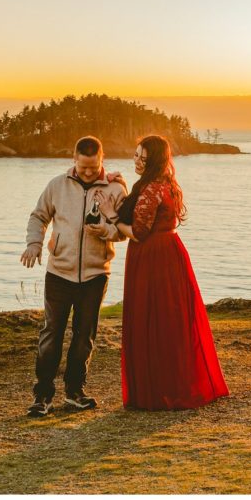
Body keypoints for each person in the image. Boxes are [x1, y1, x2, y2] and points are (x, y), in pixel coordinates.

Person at [95, 135, 230, 410]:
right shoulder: (166, 184)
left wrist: (110, 215)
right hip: (170, 253)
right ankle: (174, 382)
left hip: (152, 257)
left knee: (152, 318)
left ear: (151, 159)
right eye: (135, 155)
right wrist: (116, 183)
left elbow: (139, 232)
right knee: (171, 320)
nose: (135, 160)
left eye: (140, 156)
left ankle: (157, 390)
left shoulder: (151, 189)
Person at [20, 135, 127, 417]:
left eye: (93, 168)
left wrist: (105, 232)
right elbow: (39, 216)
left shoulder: (115, 189)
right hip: (58, 272)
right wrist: (34, 243)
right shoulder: (57, 185)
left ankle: (74, 392)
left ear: (102, 159)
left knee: (84, 337)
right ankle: (42, 396)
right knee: (50, 335)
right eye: (83, 168)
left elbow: (123, 231)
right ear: (74, 160)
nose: (88, 173)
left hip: (95, 275)